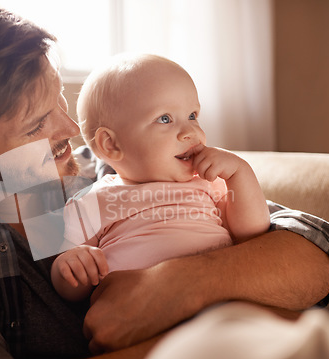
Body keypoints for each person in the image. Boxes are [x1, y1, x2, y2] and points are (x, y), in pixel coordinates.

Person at [0, 1, 329, 359]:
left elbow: (319, 250)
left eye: (59, 100)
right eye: (36, 124)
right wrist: (203, 356)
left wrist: (175, 286)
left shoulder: (114, 165)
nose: (72, 130)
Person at [51, 54, 270, 301]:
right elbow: (72, 290)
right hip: (136, 313)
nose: (191, 131)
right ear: (111, 144)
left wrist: (241, 173)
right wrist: (70, 265)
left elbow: (252, 234)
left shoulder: (207, 182)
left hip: (217, 299)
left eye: (192, 115)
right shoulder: (94, 200)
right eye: (165, 119)